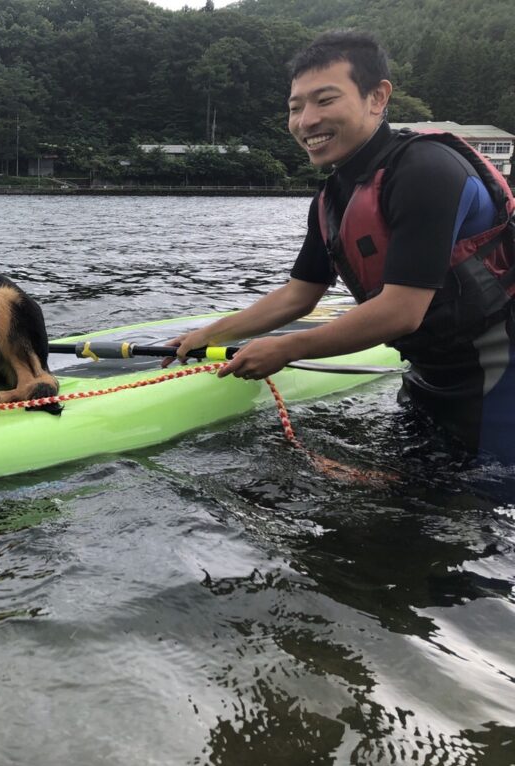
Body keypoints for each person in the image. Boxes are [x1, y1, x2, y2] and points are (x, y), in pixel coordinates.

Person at [165, 30, 515, 464]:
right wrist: (210, 334)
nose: (306, 121)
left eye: (325, 100)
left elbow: (401, 311)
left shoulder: (426, 170)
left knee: (469, 508)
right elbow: (299, 294)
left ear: (377, 97)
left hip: (499, 385)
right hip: (428, 378)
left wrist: (286, 348)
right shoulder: (332, 199)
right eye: (295, 108)